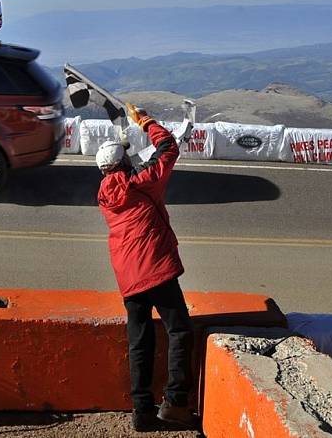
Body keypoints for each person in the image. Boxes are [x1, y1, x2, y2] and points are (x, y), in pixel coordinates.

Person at [95, 104, 196, 432]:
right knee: (179, 330)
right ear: (125, 164)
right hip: (155, 268)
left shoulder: (105, 197)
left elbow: (122, 175)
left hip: (128, 276)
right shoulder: (142, 181)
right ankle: (175, 403)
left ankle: (142, 411)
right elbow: (168, 147)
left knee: (140, 341)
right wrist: (145, 121)